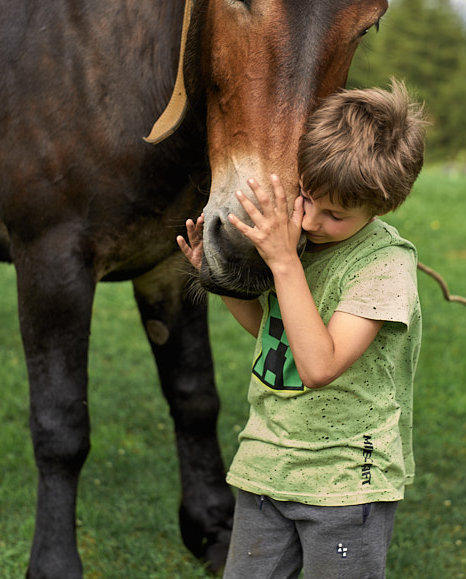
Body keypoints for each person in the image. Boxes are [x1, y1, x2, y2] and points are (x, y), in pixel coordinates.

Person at [177, 79, 426, 579]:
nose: (312, 220)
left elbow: (318, 364)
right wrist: (221, 278)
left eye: (336, 214)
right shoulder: (299, 245)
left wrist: (284, 262)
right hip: (266, 464)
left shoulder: (384, 268)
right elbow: (274, 335)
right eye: (307, 197)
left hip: (345, 483)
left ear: (383, 206)